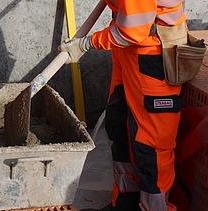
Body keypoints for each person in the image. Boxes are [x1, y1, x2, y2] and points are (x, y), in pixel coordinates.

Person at [60, 0, 188, 211]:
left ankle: (154, 208)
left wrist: (86, 44)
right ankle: (125, 204)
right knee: (119, 126)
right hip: (130, 51)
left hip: (153, 54)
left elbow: (133, 30)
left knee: (151, 145)